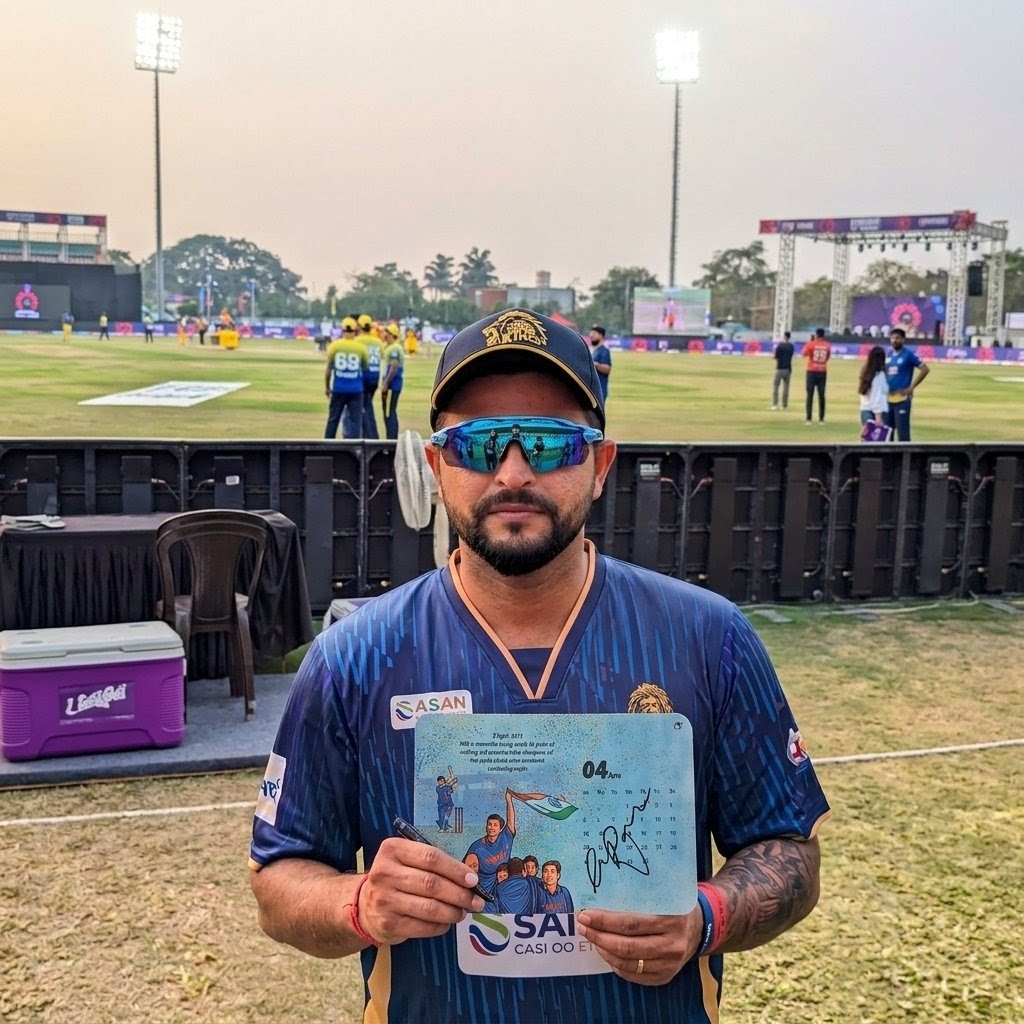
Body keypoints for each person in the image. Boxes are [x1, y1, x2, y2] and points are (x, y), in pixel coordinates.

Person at [249, 307, 829, 1024]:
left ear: (601, 464)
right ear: (437, 466)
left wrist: (706, 916)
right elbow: (279, 881)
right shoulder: (355, 655)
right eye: (479, 443)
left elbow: (789, 851)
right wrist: (362, 903)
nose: (514, 472)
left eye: (552, 443)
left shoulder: (709, 637)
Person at [323, 316, 368, 439]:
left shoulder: (334, 346)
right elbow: (365, 367)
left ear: (342, 330)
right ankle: (355, 447)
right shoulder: (361, 348)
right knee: (355, 421)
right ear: (355, 331)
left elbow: (328, 370)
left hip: (338, 388)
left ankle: (327, 444)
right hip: (356, 389)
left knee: (333, 420)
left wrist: (327, 387)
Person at [886, 327, 930, 441]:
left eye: (897, 338)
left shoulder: (909, 354)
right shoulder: (889, 355)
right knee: (887, 434)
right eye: (892, 338)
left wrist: (911, 387)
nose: (894, 340)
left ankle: (905, 453)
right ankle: (889, 453)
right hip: (887, 399)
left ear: (903, 339)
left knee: (903, 434)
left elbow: (925, 369)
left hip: (902, 399)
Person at [356, 314, 382, 439]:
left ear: (359, 326)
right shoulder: (377, 342)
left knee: (363, 407)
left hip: (363, 377)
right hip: (375, 377)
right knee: (367, 405)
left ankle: (369, 436)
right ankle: (369, 435)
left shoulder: (357, 341)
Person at [380, 323, 405, 440]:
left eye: (387, 333)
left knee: (389, 412)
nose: (385, 335)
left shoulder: (394, 348)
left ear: (392, 334)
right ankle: (391, 437)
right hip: (392, 384)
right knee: (389, 411)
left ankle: (391, 439)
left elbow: (393, 366)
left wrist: (385, 383)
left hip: (392, 385)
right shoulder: (391, 347)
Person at [803, 327, 831, 424]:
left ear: (816, 335)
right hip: (822, 371)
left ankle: (808, 418)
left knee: (810, 395)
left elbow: (804, 354)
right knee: (821, 395)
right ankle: (821, 419)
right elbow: (827, 357)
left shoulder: (811, 344)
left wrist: (810, 342)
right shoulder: (827, 345)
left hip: (811, 371)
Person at [858, 345, 889, 428]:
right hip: (877, 413)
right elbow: (877, 398)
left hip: (865, 410)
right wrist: (878, 417)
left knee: (866, 434)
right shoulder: (879, 376)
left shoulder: (865, 373)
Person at [771, 331, 794, 409]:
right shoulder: (791, 346)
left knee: (776, 386)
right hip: (788, 368)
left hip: (780, 368)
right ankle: (784, 405)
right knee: (786, 387)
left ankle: (775, 404)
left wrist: (774, 352)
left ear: (784, 336)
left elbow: (775, 356)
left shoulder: (780, 346)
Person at [589, 325, 612, 402]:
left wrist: (594, 364)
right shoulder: (594, 351)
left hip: (600, 390)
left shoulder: (604, 351)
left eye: (594, 333)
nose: (591, 335)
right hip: (592, 390)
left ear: (601, 335)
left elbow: (607, 369)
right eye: (591, 333)